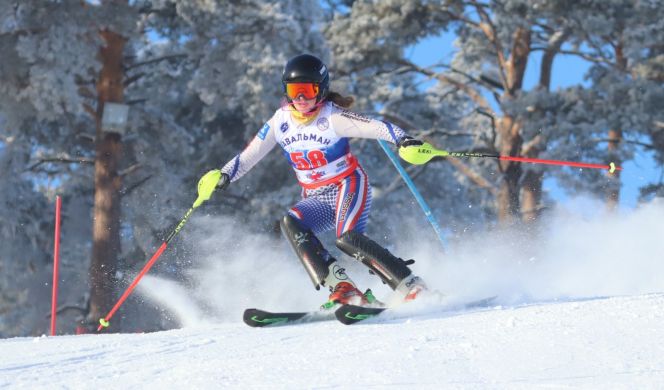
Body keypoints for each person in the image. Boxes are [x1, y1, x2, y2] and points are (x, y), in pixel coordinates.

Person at [209, 54, 428, 308]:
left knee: (347, 238)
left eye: (308, 90)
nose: (300, 99)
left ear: (321, 90)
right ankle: (342, 287)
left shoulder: (332, 118)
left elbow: (379, 127)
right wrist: (224, 174)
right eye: (294, 91)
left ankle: (410, 285)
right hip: (317, 197)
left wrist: (404, 140)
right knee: (291, 222)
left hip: (348, 185)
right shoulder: (281, 122)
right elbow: (249, 156)